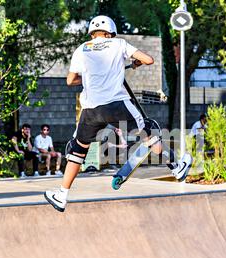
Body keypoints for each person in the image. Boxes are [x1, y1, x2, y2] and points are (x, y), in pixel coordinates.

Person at [44, 15, 192, 212]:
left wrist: (89, 78)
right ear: (110, 32)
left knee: (78, 150)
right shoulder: (118, 43)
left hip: (91, 110)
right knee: (148, 132)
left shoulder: (82, 49)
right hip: (117, 105)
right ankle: (176, 166)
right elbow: (149, 59)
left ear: (91, 32)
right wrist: (134, 63)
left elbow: (70, 80)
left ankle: (62, 195)